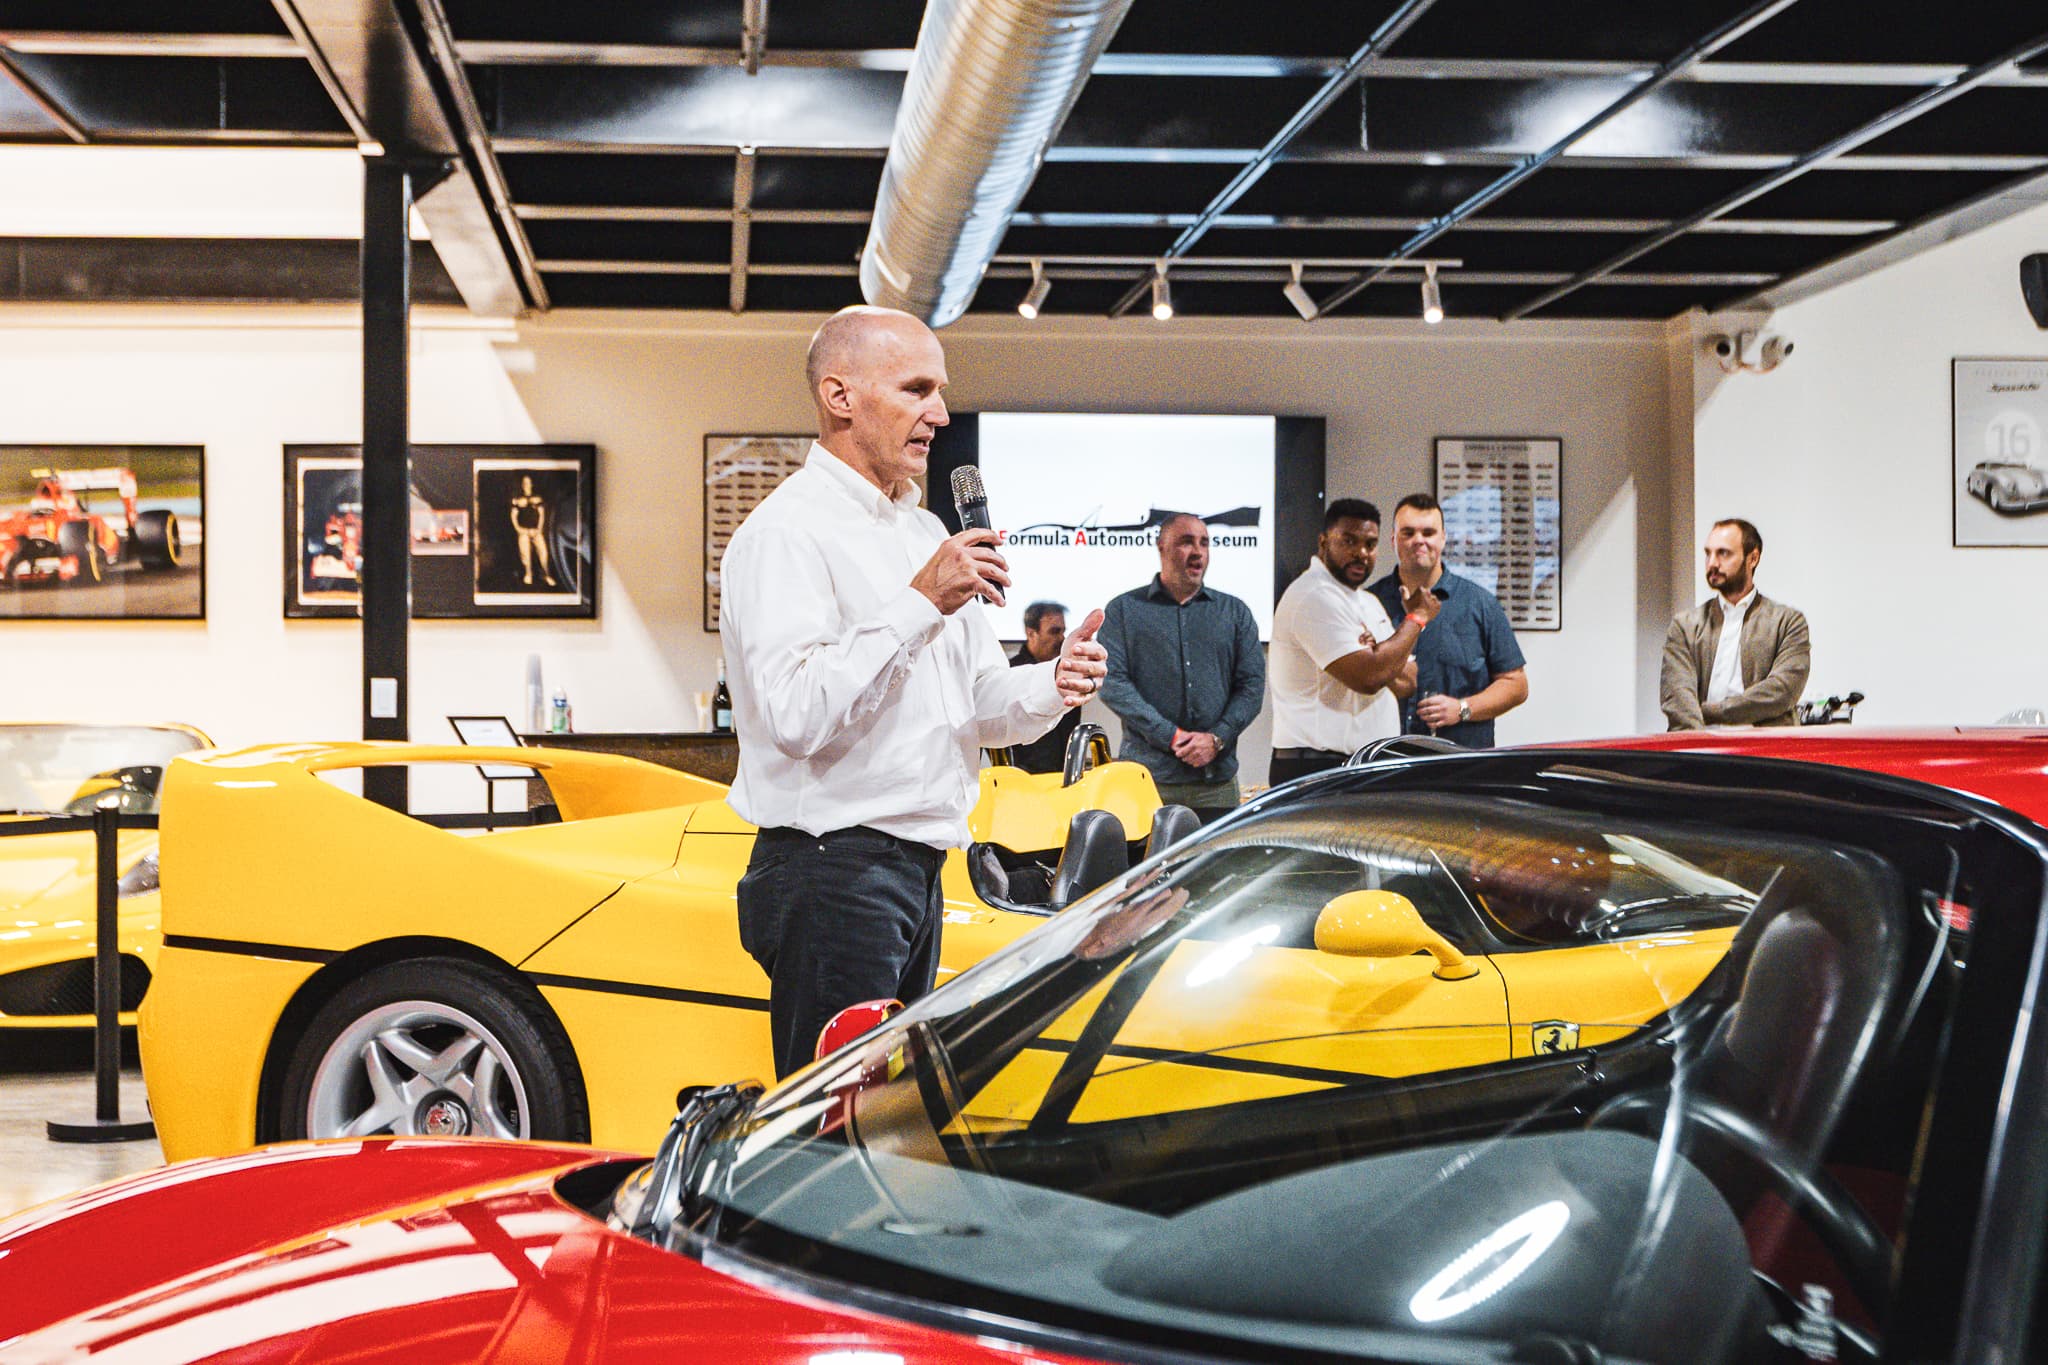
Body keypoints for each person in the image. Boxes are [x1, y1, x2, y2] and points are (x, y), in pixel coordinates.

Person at [720, 305, 1108, 1077]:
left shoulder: (925, 531)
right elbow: (794, 714)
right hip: (832, 874)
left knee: (890, 1114)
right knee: (832, 1123)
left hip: (921, 868)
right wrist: (918, 600)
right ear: (840, 398)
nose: (940, 412)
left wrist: (1053, 685)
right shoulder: (784, 535)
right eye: (916, 388)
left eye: (941, 390)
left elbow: (978, 700)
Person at [1099, 513, 1264, 820]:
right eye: (1186, 542)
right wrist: (1171, 736)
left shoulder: (1234, 612)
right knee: (1146, 869)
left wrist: (1216, 739)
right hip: (1147, 780)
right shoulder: (1123, 610)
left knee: (1218, 869)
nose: (1198, 551)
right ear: (1161, 547)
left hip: (1216, 782)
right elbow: (1113, 683)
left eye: (1204, 542)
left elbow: (1251, 687)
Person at [1269, 498, 1440, 783]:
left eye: (1370, 545)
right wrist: (1417, 618)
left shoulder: (1368, 601)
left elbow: (1406, 682)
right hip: (1316, 767)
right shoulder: (1313, 595)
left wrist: (1380, 656)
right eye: (1348, 541)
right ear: (1324, 543)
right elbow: (1370, 678)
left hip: (1361, 764)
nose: (1361, 553)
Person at [1368, 493, 1528, 747]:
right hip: (1384, 761)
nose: (1418, 540)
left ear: (1443, 539)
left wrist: (1463, 709)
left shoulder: (1480, 604)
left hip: (1460, 765)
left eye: (1428, 533)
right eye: (1408, 533)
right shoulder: (1369, 603)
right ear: (1393, 540)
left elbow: (1516, 684)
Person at [1660, 518, 1810, 729]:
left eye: (1724, 553)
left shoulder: (1787, 622)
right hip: (1700, 751)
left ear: (1753, 558)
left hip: (1765, 753)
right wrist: (1700, 750)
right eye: (1708, 553)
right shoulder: (1685, 625)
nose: (1712, 563)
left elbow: (1783, 691)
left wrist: (1712, 712)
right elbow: (1676, 696)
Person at [1009, 601, 1083, 773]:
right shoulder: (1010, 675)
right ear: (1031, 633)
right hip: (1021, 782)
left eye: (1063, 631)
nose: (1062, 639)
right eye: (1054, 631)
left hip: (1062, 778)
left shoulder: (1068, 675)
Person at [510, 475, 556, 587]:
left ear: (531, 484)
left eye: (528, 482)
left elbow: (542, 514)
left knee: (543, 552)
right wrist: (519, 529)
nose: (526, 485)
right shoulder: (517, 499)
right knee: (524, 551)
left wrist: (539, 529)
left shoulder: (537, 498)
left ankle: (546, 575)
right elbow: (513, 516)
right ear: (522, 485)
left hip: (536, 531)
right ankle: (528, 573)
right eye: (524, 483)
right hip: (524, 531)